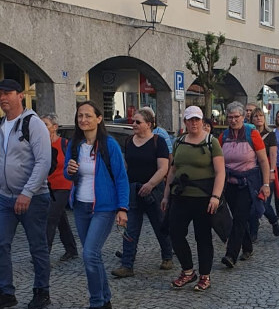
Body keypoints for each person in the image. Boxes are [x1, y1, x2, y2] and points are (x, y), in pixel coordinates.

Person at [65, 101, 129, 309]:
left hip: (104, 207)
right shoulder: (74, 144)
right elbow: (67, 173)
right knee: (93, 255)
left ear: (99, 119)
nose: (83, 120)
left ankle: (96, 304)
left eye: (88, 116)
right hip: (80, 206)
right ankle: (105, 298)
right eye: (80, 116)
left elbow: (121, 177)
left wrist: (123, 208)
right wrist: (69, 171)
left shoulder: (109, 145)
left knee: (89, 254)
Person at [0, 78, 52, 309]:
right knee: (1, 243)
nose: (3, 98)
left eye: (8, 93)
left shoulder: (33, 124)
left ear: (20, 95)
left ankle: (42, 291)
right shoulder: (2, 125)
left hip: (34, 197)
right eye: (0, 94)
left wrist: (27, 192)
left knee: (37, 246)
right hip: (4, 197)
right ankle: (6, 292)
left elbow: (43, 162)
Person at [161, 106, 225, 291]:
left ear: (202, 121)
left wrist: (215, 196)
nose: (194, 123)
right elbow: (172, 170)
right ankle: (188, 271)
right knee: (175, 233)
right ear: (185, 122)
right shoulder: (179, 142)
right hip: (180, 196)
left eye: (197, 119)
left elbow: (220, 172)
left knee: (202, 237)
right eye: (190, 120)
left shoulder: (211, 142)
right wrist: (166, 196)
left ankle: (205, 275)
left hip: (203, 197)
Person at [112, 108, 172, 279]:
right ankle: (127, 264)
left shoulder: (158, 141)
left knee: (159, 224)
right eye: (133, 121)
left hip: (153, 191)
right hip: (133, 189)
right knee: (130, 228)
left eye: (138, 122)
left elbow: (163, 168)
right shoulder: (129, 141)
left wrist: (150, 184)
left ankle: (167, 256)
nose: (134, 124)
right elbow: (126, 166)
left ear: (149, 124)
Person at [219, 102, 270, 268]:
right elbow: (217, 160)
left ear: (243, 117)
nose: (233, 120)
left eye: (236, 117)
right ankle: (247, 247)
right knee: (237, 217)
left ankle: (231, 255)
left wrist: (266, 184)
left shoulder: (252, 135)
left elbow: (263, 160)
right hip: (229, 183)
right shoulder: (223, 136)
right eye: (230, 117)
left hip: (247, 184)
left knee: (240, 218)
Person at [42, 113, 79, 261]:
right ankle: (71, 249)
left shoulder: (65, 143)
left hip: (64, 185)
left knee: (50, 217)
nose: (42, 127)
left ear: (54, 127)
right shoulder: (40, 145)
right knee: (60, 218)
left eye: (45, 124)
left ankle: (43, 253)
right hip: (48, 187)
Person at [251, 107, 279, 237]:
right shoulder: (249, 134)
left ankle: (273, 220)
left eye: (261, 116)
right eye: (256, 116)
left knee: (264, 202)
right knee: (253, 203)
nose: (259, 118)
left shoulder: (270, 135)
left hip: (266, 170)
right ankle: (253, 232)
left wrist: (272, 171)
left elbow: (273, 154)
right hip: (252, 171)